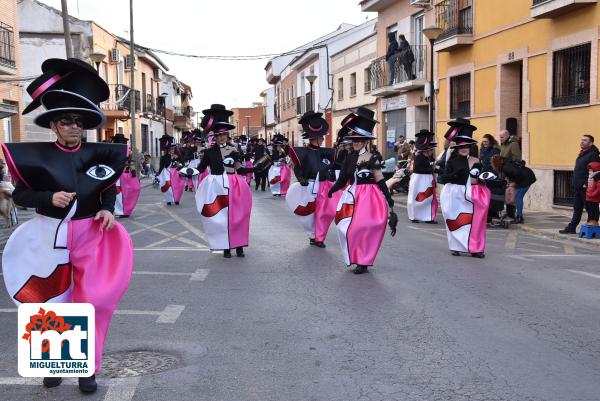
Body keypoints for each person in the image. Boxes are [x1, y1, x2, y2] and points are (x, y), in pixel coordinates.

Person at [1, 58, 133, 393]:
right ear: (54, 126)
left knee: (92, 301)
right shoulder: (37, 158)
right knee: (51, 300)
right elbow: (20, 196)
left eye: (78, 121)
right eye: (66, 121)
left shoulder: (100, 153)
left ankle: (87, 369)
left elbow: (108, 187)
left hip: (92, 234)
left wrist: (107, 209)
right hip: (50, 235)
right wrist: (48, 198)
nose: (73, 127)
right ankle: (55, 364)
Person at [327, 107, 397, 274]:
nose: (357, 142)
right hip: (354, 197)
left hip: (371, 199)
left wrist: (389, 199)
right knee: (353, 228)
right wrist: (332, 190)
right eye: (354, 140)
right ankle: (357, 256)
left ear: (366, 141)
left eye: (360, 140)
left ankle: (363, 261)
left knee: (367, 227)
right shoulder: (349, 158)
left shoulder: (373, 158)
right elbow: (343, 179)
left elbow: (380, 180)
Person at [195, 104, 254, 258]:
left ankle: (239, 246)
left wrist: (255, 169)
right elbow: (201, 168)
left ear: (227, 135)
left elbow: (239, 169)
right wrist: (187, 171)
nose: (221, 137)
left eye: (224, 134)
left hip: (235, 185)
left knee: (239, 216)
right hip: (217, 187)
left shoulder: (235, 150)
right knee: (222, 218)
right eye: (219, 134)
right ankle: (226, 247)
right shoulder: (209, 152)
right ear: (215, 136)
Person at [440, 118, 491, 258]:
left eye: (466, 147)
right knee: (455, 220)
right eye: (461, 147)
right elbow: (444, 178)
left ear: (470, 148)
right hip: (454, 195)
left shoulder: (476, 161)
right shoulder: (452, 161)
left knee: (473, 222)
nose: (464, 149)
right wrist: (455, 174)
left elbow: (480, 177)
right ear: (457, 148)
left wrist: (487, 177)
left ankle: (475, 249)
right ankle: (455, 246)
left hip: (470, 195)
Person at [286, 110, 338, 248]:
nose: (322, 139)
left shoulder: (326, 152)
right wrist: (301, 179)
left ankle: (319, 237)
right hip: (309, 186)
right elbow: (297, 168)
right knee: (308, 214)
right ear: (314, 137)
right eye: (320, 137)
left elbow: (334, 165)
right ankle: (312, 235)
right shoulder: (303, 153)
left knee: (326, 212)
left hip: (324, 186)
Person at [560, 135, 600, 234]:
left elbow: (595, 171)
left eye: (585, 140)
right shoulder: (583, 153)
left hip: (585, 187)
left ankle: (592, 229)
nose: (582, 142)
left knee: (591, 208)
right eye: (581, 140)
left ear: (590, 143)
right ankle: (571, 228)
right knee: (577, 208)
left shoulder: (593, 154)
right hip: (578, 186)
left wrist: (586, 184)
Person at [491, 156, 536, 224]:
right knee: (518, 196)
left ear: (496, 163)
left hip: (526, 178)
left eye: (492, 163)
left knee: (518, 197)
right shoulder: (505, 164)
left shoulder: (506, 167)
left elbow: (517, 173)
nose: (492, 164)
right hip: (527, 176)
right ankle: (515, 215)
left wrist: (515, 183)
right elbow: (514, 174)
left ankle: (519, 217)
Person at [407, 129, 438, 224]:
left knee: (428, 199)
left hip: (426, 179)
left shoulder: (426, 158)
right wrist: (431, 169)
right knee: (415, 198)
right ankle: (414, 215)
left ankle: (428, 217)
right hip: (418, 179)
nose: (432, 151)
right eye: (431, 149)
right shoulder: (419, 157)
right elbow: (417, 169)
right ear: (427, 150)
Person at [112, 134, 141, 218]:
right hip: (119, 173)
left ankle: (125, 210)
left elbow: (130, 161)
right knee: (120, 193)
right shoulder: (115, 151)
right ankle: (121, 211)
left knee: (131, 190)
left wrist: (132, 169)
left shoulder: (127, 150)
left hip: (124, 173)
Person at [585, 162, 600, 226]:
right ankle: (589, 225)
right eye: (589, 170)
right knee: (590, 213)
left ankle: (594, 226)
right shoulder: (591, 177)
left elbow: (598, 190)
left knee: (594, 214)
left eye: (591, 170)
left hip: (594, 200)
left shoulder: (597, 178)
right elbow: (589, 187)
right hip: (589, 199)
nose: (589, 172)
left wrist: (591, 194)